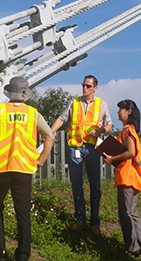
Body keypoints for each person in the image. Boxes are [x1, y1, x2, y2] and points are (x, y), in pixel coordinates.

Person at [0, 76, 55, 261]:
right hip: (24, 168)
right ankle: (23, 255)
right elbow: (50, 137)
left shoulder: (0, 110)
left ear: (9, 93)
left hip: (2, 166)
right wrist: (41, 159)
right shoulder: (33, 113)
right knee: (23, 212)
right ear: (25, 93)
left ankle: (0, 250)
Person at [50, 75, 112, 236]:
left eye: (88, 86)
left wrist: (100, 130)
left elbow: (109, 125)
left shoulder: (102, 104)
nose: (85, 88)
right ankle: (80, 219)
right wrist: (49, 132)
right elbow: (62, 119)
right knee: (76, 184)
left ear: (95, 88)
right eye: (83, 85)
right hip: (75, 147)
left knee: (95, 186)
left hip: (92, 148)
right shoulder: (73, 101)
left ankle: (95, 222)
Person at [103, 100, 141, 257]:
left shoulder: (127, 130)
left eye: (120, 109)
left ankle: (132, 247)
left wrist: (111, 158)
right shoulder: (130, 129)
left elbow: (130, 152)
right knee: (133, 212)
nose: (118, 112)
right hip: (134, 176)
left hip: (127, 177)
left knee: (126, 213)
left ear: (128, 111)